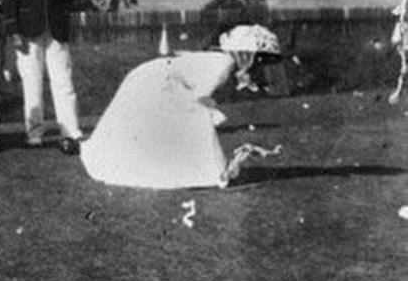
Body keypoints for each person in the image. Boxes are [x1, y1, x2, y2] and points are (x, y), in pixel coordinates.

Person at [80, 25, 284, 189]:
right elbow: (198, 98)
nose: (258, 64)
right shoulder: (223, 65)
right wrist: (210, 112)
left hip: (155, 78)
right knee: (196, 121)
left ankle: (186, 166)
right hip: (158, 82)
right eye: (256, 58)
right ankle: (211, 171)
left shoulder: (222, 61)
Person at [2, 0, 86, 153]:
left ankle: (70, 129)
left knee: (63, 80)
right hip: (28, 28)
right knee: (32, 82)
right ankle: (34, 132)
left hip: (56, 29)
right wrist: (13, 31)